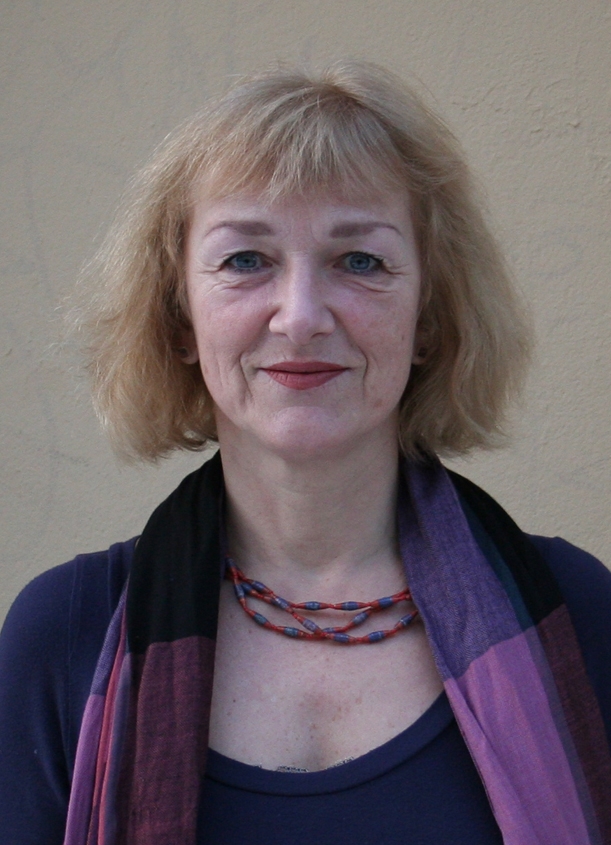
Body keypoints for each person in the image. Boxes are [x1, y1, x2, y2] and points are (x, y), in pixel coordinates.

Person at [0, 61, 610, 845]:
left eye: (359, 261)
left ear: (428, 317)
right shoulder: (61, 637)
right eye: (245, 260)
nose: (300, 316)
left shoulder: (576, 613)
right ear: (180, 319)